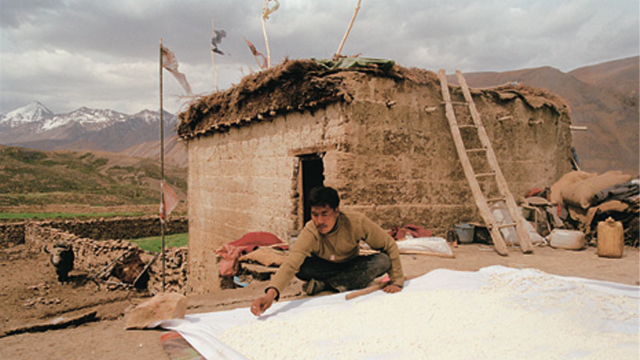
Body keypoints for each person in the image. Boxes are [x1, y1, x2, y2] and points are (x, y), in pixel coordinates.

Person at [250, 186, 404, 316]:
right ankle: (338, 283)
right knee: (302, 267)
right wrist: (270, 296)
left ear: (336, 211)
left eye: (325, 214)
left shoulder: (356, 222)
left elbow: (388, 244)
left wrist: (397, 281)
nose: (319, 221)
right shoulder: (310, 231)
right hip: (323, 267)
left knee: (382, 261)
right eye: (315, 215)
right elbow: (291, 264)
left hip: (350, 264)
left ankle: (325, 285)